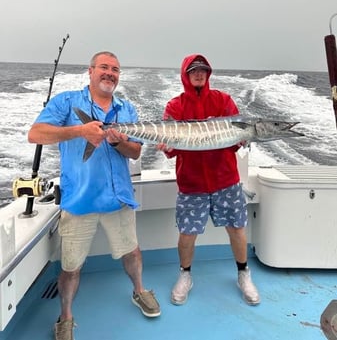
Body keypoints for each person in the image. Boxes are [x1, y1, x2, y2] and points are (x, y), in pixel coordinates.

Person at [28, 51, 161, 340]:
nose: (109, 73)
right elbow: (36, 134)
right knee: (71, 265)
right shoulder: (66, 101)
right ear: (90, 71)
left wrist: (118, 143)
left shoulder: (126, 109)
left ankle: (139, 291)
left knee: (132, 251)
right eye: (104, 67)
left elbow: (136, 151)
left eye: (115, 69)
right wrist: (80, 131)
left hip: (118, 198)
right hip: (79, 200)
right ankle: (66, 317)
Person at [157, 54, 260, 306]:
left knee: (236, 228)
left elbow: (234, 143)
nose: (199, 73)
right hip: (192, 184)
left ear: (209, 73)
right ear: (185, 74)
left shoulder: (223, 101)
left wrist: (241, 140)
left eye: (203, 69)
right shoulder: (175, 107)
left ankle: (244, 273)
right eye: (193, 70)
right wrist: (166, 146)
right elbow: (171, 149)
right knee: (187, 234)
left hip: (226, 180)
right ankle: (185, 275)